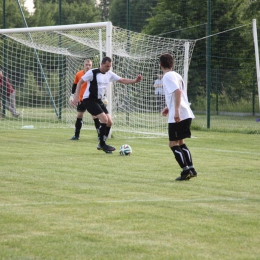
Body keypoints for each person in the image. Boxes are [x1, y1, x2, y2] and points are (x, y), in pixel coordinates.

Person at [72, 56, 142, 153]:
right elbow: (80, 82)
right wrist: (76, 97)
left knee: (109, 122)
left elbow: (122, 80)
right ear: (102, 64)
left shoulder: (109, 74)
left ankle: (102, 142)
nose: (108, 68)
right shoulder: (92, 72)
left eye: (110, 66)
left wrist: (135, 80)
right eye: (107, 66)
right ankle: (102, 144)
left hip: (99, 100)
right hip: (89, 100)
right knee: (104, 119)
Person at [159, 53, 197, 181]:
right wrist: (169, 107)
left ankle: (186, 171)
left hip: (179, 115)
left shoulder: (167, 76)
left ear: (160, 65)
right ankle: (191, 169)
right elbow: (177, 95)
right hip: (186, 113)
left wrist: (175, 111)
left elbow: (177, 92)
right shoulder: (176, 75)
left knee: (172, 144)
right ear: (172, 64)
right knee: (180, 142)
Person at [69, 59, 100, 140]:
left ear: (91, 66)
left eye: (89, 65)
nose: (88, 66)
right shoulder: (79, 74)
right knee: (79, 116)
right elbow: (75, 85)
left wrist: (103, 96)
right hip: (81, 99)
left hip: (91, 99)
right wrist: (72, 95)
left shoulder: (95, 74)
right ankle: (76, 136)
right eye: (86, 64)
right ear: (84, 65)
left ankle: (100, 136)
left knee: (95, 116)